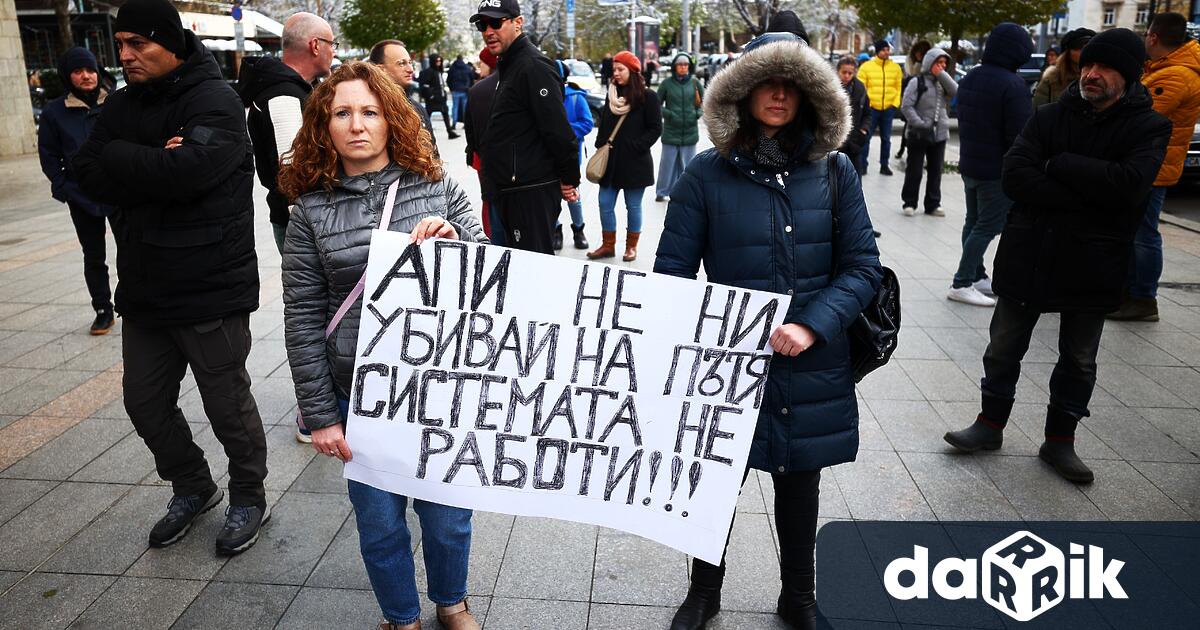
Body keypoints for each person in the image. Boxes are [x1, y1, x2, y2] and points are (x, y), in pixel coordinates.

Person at [655, 30, 882, 630]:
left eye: (793, 83)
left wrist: (813, 323)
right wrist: (705, 328)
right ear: (744, 89)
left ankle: (798, 595)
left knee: (799, 480)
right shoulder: (706, 174)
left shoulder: (834, 171)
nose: (779, 95)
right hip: (727, 360)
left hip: (808, 360)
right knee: (713, 479)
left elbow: (863, 268)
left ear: (811, 95)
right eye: (767, 81)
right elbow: (671, 272)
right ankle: (703, 592)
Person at [278, 62, 485, 630]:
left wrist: (457, 241)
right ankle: (401, 617)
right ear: (324, 125)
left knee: (447, 519)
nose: (357, 125)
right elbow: (302, 317)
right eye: (342, 112)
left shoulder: (439, 187)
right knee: (380, 523)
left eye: (370, 111)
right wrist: (322, 415)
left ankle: (452, 603)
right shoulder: (309, 212)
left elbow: (490, 271)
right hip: (358, 397)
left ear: (392, 118)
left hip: (437, 389)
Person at [72, 0, 268, 555]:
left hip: (210, 284)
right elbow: (84, 170)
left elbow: (190, 173)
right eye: (121, 45)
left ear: (171, 41)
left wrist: (123, 160)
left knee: (226, 404)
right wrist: (149, 158)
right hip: (144, 286)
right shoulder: (123, 105)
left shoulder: (215, 100)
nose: (126, 55)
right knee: (144, 402)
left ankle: (249, 495)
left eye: (138, 44)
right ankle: (192, 485)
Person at [943, 29, 1171, 484]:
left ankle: (1060, 441)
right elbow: (1015, 175)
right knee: (1004, 346)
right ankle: (989, 426)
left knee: (1079, 358)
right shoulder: (1049, 115)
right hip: (1031, 251)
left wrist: (1059, 165)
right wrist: (1089, 188)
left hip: (1095, 261)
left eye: (1103, 68)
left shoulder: (1148, 126)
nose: (1091, 74)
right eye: (1088, 65)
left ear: (1127, 75)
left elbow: (1129, 187)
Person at [1109, 12, 1200, 321]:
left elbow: (1140, 116)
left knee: (1144, 234)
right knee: (1136, 230)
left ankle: (1144, 298)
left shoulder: (1176, 74)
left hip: (1152, 165)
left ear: (1153, 37)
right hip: (1148, 162)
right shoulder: (1164, 68)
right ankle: (1131, 293)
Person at [472, 0, 580, 254]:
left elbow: (558, 130)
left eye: (496, 23)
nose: (488, 31)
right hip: (510, 190)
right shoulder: (511, 64)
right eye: (482, 24)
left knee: (532, 276)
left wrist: (569, 178)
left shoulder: (533, 66)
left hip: (530, 192)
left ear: (517, 23)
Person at [948, 23, 1033, 308]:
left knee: (973, 222)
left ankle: (975, 274)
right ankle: (961, 282)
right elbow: (1020, 135)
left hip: (971, 163)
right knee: (986, 226)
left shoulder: (972, 76)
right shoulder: (1013, 85)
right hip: (997, 169)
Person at [236, 12, 334, 256]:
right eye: (332, 44)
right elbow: (292, 175)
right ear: (315, 45)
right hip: (304, 224)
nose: (333, 52)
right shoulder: (285, 97)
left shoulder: (292, 90)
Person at [37, 47, 116, 335]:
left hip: (120, 190)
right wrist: (63, 187)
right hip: (82, 196)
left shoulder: (115, 102)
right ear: (68, 76)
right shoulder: (54, 112)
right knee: (94, 256)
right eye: (79, 71)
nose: (86, 76)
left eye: (91, 69)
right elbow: (48, 154)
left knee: (134, 249)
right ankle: (103, 309)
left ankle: (138, 303)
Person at [587, 50, 661, 262]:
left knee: (634, 206)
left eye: (620, 69)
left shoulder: (648, 97)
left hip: (635, 163)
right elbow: (604, 124)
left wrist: (636, 146)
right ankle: (608, 245)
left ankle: (631, 247)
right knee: (605, 202)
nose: (616, 74)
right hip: (611, 162)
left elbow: (655, 128)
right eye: (614, 70)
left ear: (633, 71)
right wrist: (600, 144)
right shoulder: (611, 95)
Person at [899, 47, 957, 217]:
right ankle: (909, 202)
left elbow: (955, 91)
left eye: (944, 63)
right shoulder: (916, 82)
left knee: (936, 170)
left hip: (939, 134)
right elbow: (906, 106)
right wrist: (920, 123)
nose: (942, 66)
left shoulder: (942, 82)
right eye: (939, 62)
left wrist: (941, 75)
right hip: (919, 133)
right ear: (929, 62)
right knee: (915, 169)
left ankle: (933, 203)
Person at [553, 59, 594, 250]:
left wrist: (564, 130)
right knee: (552, 196)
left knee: (572, 194)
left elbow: (587, 123)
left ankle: (579, 229)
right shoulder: (543, 96)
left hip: (570, 156)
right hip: (547, 157)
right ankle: (556, 229)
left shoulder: (576, 97)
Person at [370, 39, 437, 151]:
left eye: (410, 63)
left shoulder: (417, 108)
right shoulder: (370, 109)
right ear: (381, 69)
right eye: (401, 63)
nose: (410, 69)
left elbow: (433, 153)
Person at [464, 47, 502, 244]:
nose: (479, 67)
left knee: (489, 201)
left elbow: (470, 128)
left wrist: (473, 150)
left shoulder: (479, 90)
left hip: (484, 156)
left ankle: (490, 239)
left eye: (482, 62)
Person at [655, 52, 703, 202]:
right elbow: (656, 104)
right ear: (675, 67)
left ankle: (685, 192)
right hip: (671, 130)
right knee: (667, 164)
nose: (683, 67)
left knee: (688, 165)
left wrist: (697, 113)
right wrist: (668, 114)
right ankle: (662, 191)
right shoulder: (666, 84)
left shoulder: (695, 83)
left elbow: (704, 102)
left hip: (690, 130)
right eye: (680, 65)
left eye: (686, 65)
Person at [857, 39, 903, 175]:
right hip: (871, 109)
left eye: (888, 50)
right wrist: (867, 105)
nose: (886, 52)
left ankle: (884, 165)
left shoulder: (895, 68)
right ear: (878, 51)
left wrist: (894, 104)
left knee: (886, 139)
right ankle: (863, 164)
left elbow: (898, 87)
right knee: (866, 137)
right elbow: (861, 88)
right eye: (883, 50)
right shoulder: (866, 67)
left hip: (888, 108)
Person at [1033, 28, 1094, 107]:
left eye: (1089, 47)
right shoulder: (1052, 78)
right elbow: (1038, 110)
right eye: (1079, 47)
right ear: (1067, 52)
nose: (1084, 51)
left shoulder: (1102, 77)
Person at [895, 40, 931, 161]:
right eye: (917, 53)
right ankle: (902, 149)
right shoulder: (913, 67)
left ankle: (920, 153)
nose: (918, 55)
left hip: (924, 102)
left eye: (920, 53)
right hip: (913, 101)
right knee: (908, 127)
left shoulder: (926, 67)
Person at [837, 56, 869, 176]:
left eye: (850, 73)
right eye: (844, 72)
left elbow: (867, 113)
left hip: (855, 142)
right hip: (835, 143)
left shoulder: (860, 88)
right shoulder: (830, 88)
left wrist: (864, 129)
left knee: (855, 179)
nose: (846, 76)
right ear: (838, 71)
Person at [418, 54, 459, 139]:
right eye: (437, 61)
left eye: (440, 61)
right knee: (427, 117)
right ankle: (424, 134)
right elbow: (425, 86)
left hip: (441, 99)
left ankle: (449, 132)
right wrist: (431, 96)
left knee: (445, 114)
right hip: (433, 100)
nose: (439, 63)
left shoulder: (439, 71)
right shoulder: (429, 72)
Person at [446, 54, 474, 129]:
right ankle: (466, 123)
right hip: (465, 90)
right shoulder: (467, 68)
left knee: (455, 107)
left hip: (455, 89)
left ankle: (454, 123)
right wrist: (469, 87)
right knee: (465, 107)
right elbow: (471, 78)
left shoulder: (452, 68)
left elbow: (448, 80)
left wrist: (451, 88)